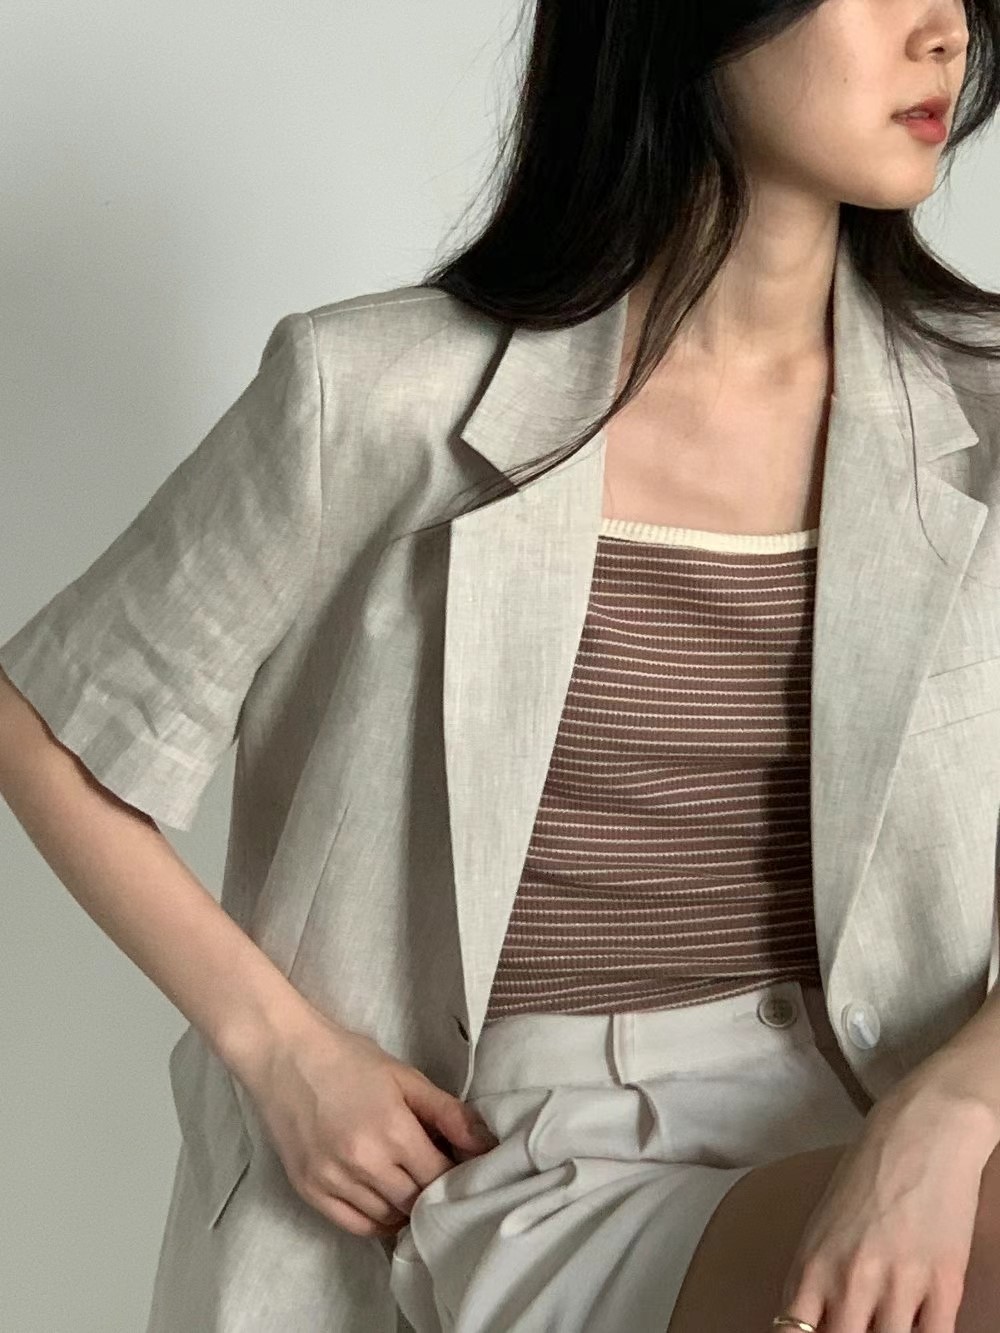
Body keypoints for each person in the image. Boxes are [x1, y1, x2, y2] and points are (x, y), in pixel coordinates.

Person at [5, 0, 1000, 1329]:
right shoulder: (377, 395)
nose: (942, 33)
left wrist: (953, 1108)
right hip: (515, 1154)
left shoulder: (979, 406)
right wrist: (281, 1053)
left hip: (865, 1099)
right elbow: (48, 719)